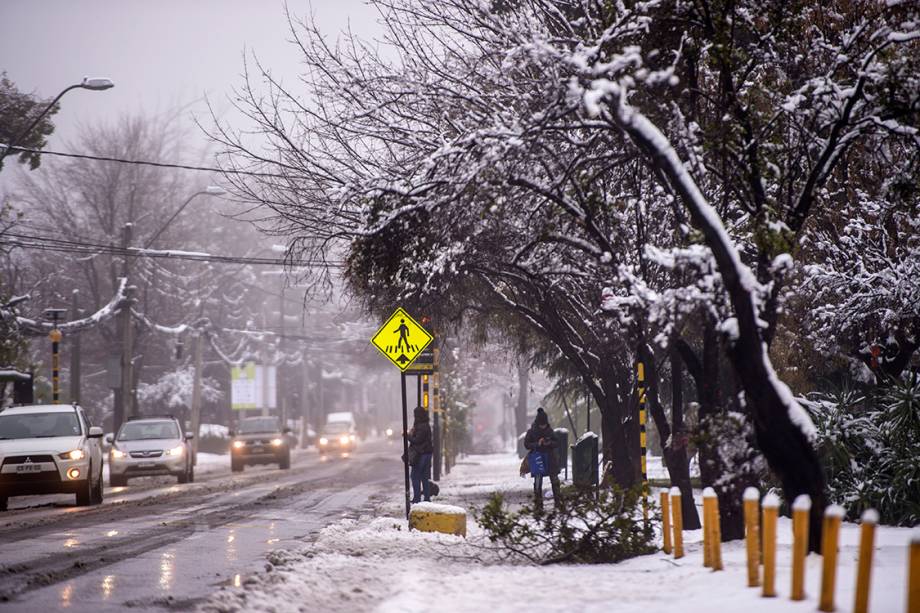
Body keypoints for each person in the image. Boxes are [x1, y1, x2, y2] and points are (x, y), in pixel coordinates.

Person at [524, 407, 561, 510]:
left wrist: (549, 443)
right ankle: (538, 504)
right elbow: (527, 444)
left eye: (544, 424)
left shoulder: (550, 430)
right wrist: (537, 444)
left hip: (550, 458)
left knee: (554, 480)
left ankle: (558, 502)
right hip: (538, 459)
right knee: (538, 481)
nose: (543, 427)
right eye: (542, 425)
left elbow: (557, 442)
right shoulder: (532, 431)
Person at [407, 405, 433, 503]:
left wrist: (408, 436)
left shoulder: (421, 426)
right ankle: (426, 498)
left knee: (415, 476)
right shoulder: (426, 424)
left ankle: (417, 498)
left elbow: (417, 440)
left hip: (421, 454)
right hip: (427, 453)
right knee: (424, 477)